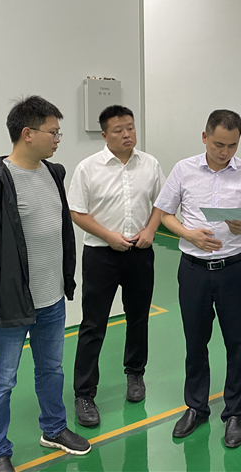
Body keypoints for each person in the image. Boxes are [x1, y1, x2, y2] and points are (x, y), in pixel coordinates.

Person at [0, 96, 91, 472]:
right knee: (1, 379)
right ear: (28, 133)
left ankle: (54, 429)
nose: (58, 139)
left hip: (52, 299)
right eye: (54, 132)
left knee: (52, 369)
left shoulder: (54, 173)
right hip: (12, 303)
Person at [153, 109, 241, 449]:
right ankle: (196, 407)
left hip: (235, 270)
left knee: (237, 343)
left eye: (232, 146)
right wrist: (189, 234)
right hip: (194, 270)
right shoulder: (183, 170)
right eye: (219, 144)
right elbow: (165, 214)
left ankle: (235, 414)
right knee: (195, 341)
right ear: (205, 137)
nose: (225, 152)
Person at [68, 105, 166, 427]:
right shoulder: (87, 168)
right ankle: (84, 393)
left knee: (138, 317)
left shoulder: (150, 164)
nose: (127, 135)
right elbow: (77, 212)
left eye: (130, 128)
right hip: (101, 255)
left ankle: (135, 374)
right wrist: (108, 236)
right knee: (93, 324)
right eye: (118, 130)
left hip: (140, 252)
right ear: (104, 135)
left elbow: (161, 203)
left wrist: (150, 231)